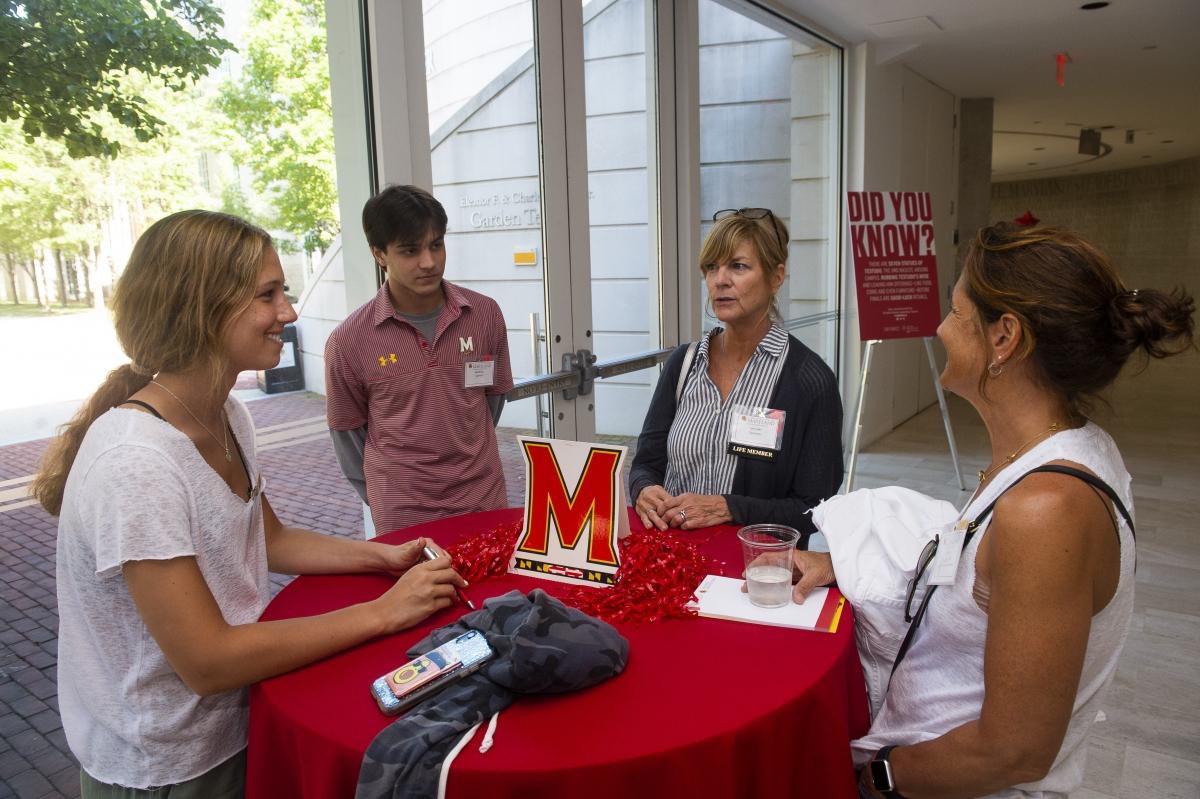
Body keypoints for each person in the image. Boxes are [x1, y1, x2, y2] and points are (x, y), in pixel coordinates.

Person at [33, 210, 468, 797]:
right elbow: (207, 661)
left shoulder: (227, 414)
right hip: (168, 767)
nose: (288, 313)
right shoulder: (135, 463)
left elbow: (271, 539)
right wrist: (386, 612)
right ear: (201, 308)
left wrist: (382, 559)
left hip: (235, 726)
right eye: (268, 295)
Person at [788, 224, 1195, 798]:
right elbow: (983, 574)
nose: (939, 328)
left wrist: (878, 777)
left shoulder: (1046, 508)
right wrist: (844, 567)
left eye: (956, 313)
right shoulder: (1059, 449)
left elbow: (1014, 751)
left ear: (1004, 337)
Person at [628, 207, 843, 544]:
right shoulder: (683, 365)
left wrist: (729, 508)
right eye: (711, 267)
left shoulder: (809, 381)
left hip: (754, 572)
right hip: (671, 563)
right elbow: (646, 461)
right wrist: (644, 488)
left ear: (776, 277)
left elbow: (815, 507)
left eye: (738, 266)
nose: (720, 280)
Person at [325, 185, 513, 534]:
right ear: (379, 254)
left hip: (483, 501)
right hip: (404, 515)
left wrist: (463, 445)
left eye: (436, 245)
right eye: (410, 250)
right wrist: (388, 493)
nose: (428, 262)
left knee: (493, 590)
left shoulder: (484, 314)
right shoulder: (349, 341)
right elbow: (349, 437)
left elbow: (491, 401)